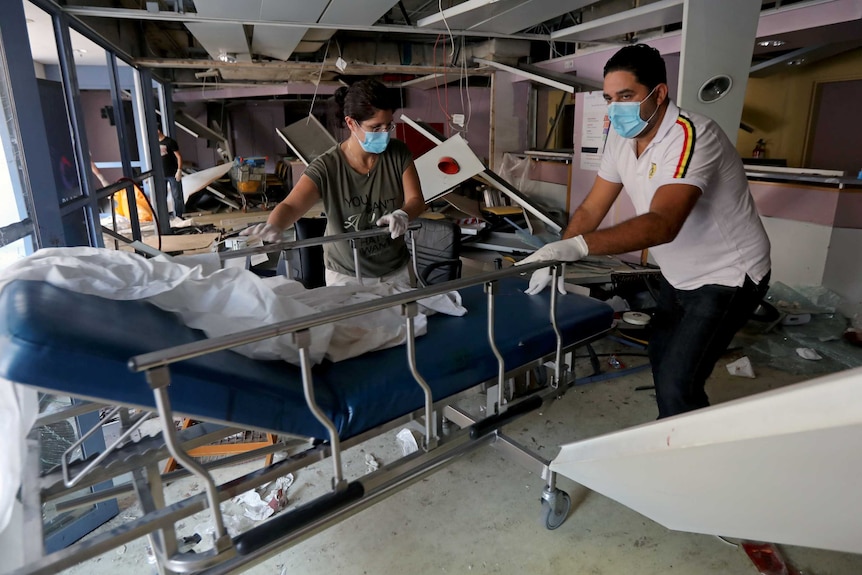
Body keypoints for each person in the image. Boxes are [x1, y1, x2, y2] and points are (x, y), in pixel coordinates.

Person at [517, 44, 772, 419]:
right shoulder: (621, 138)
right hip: (678, 272)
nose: (615, 107)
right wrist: (557, 253)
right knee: (659, 353)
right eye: (609, 98)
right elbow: (592, 207)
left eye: (626, 96)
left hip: (728, 275)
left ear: (659, 93)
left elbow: (663, 224)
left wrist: (579, 247)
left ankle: (684, 459)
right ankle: (670, 431)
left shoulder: (692, 136)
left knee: (677, 382)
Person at [242, 79, 425, 286]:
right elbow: (291, 205)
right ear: (350, 123)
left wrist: (403, 213)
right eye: (375, 128)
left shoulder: (398, 153)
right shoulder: (327, 167)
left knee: (405, 318)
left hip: (395, 268)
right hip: (346, 274)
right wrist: (274, 225)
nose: (384, 133)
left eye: (388, 125)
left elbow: (416, 199)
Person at [157, 127, 184, 217]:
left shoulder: (170, 142)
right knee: (161, 197)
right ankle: (164, 217)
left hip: (172, 173)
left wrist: (179, 170)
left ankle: (178, 215)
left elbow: (179, 157)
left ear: (158, 130)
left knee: (177, 196)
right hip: (160, 175)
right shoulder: (154, 143)